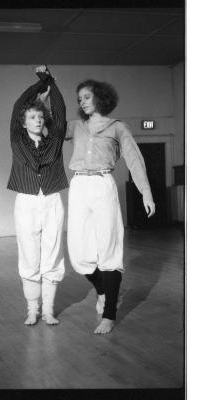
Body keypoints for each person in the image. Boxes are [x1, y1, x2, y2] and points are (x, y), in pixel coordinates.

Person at [66, 79, 155, 334]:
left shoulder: (118, 128)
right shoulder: (76, 127)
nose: (81, 101)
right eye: (79, 98)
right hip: (79, 186)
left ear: (101, 98)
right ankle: (105, 290)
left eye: (86, 96)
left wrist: (145, 194)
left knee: (109, 248)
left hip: (103, 185)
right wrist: (46, 92)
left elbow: (135, 160)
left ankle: (109, 314)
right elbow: (50, 126)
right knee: (79, 254)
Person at [7, 65, 68, 326]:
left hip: (52, 200)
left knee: (53, 254)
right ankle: (32, 309)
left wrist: (52, 84)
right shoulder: (17, 140)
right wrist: (40, 81)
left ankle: (49, 310)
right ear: (23, 122)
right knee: (29, 255)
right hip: (26, 201)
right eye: (32, 117)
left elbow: (61, 113)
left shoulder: (54, 140)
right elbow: (19, 105)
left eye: (40, 117)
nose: (38, 120)